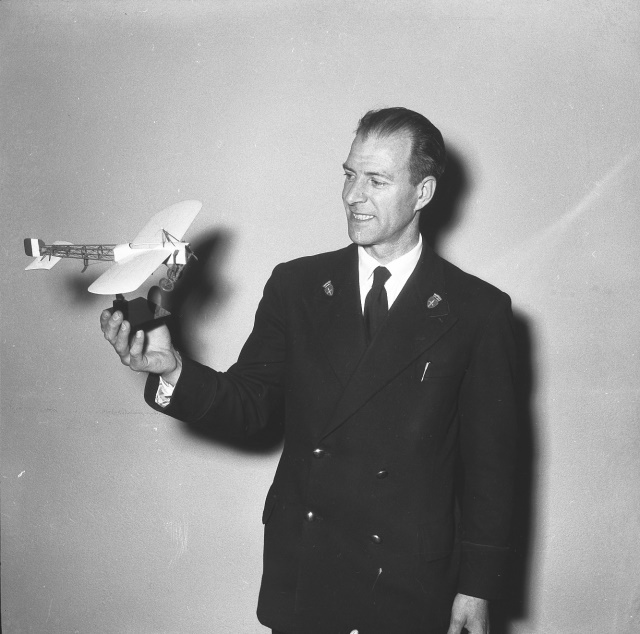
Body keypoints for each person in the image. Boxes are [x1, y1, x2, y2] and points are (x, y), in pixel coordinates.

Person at [101, 107, 517, 634]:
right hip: (309, 570)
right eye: (348, 174)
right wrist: (173, 369)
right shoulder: (296, 286)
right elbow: (251, 406)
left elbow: (491, 466)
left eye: (376, 181)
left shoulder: (476, 310)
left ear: (423, 193)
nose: (352, 196)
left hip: (408, 582)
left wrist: (477, 586)